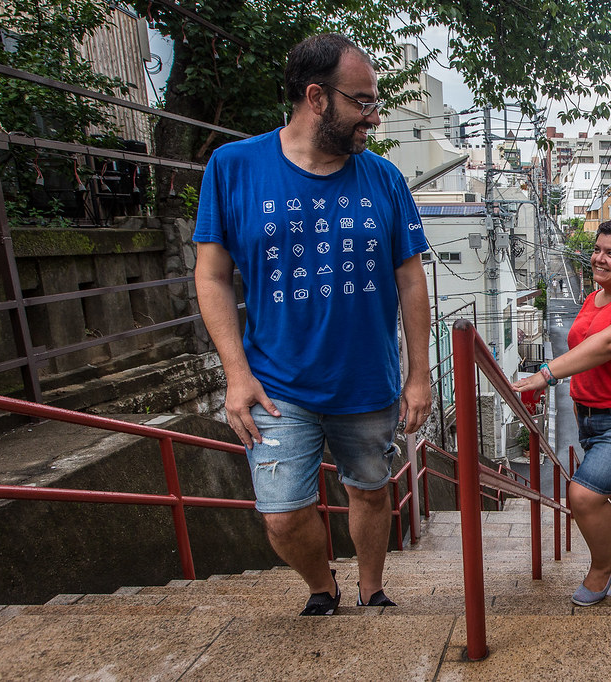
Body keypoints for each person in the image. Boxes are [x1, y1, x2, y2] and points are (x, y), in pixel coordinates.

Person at [193, 33, 431, 616]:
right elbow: (212, 276)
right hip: (276, 383)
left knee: (371, 492)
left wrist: (420, 374)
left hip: (367, 380)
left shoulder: (383, 179)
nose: (372, 118)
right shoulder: (233, 167)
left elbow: (410, 279)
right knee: (281, 514)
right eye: (363, 102)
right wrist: (235, 373)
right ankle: (321, 585)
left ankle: (371, 588)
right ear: (316, 98)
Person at [512, 218, 611, 605]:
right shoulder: (594, 296)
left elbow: (609, 345)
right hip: (593, 418)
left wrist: (546, 375)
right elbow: (587, 347)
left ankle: (603, 566)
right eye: (598, 249)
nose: (599, 258)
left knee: (584, 496)